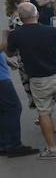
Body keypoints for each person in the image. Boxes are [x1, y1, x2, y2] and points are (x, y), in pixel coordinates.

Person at [2, 2, 56, 159]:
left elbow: (10, 53)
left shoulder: (16, 35)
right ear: (36, 14)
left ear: (20, 17)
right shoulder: (51, 31)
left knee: (44, 113)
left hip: (37, 79)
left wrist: (6, 36)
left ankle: (52, 149)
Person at [0, 22, 38, 156]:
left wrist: (6, 61)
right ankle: (13, 145)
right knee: (13, 108)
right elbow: (2, 47)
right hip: (1, 79)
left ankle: (4, 144)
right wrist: (5, 37)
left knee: (4, 110)